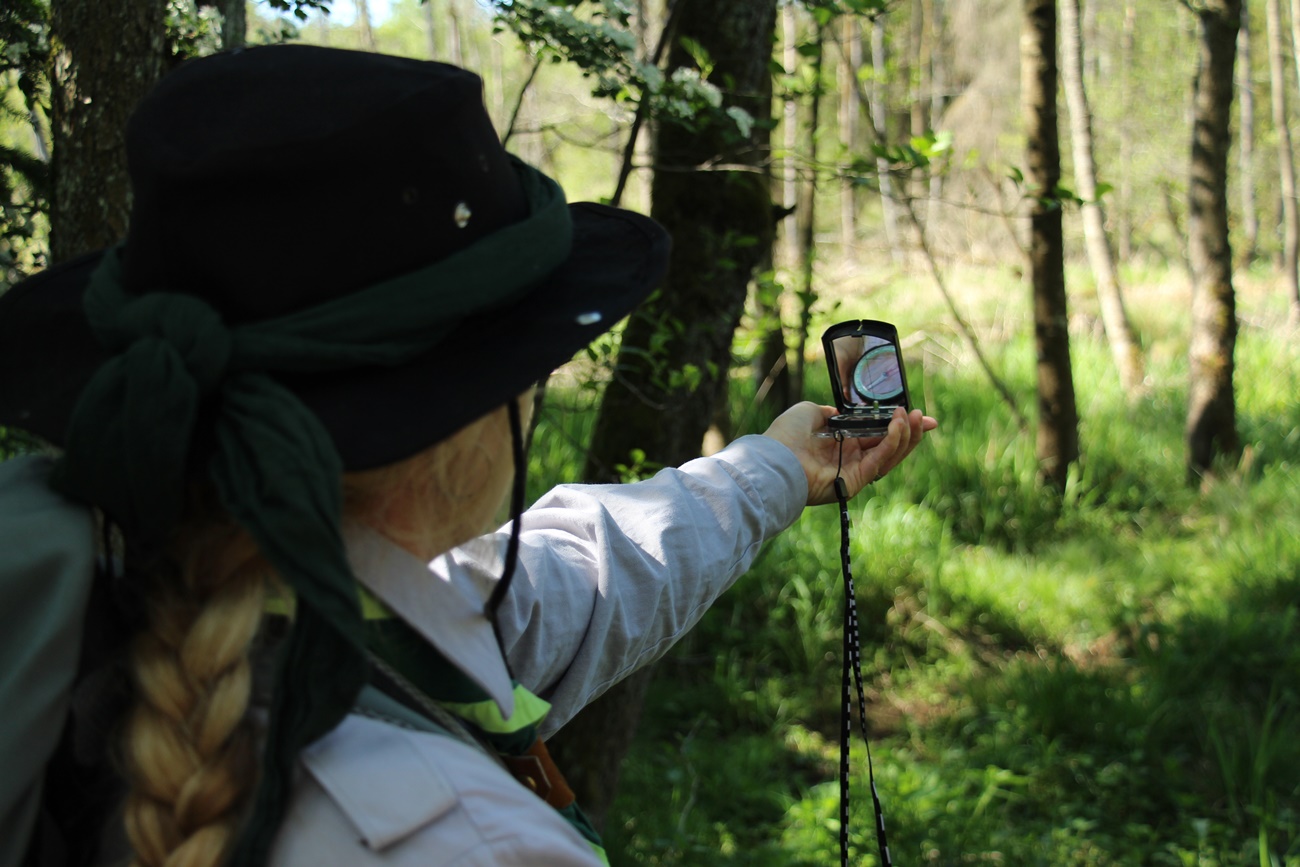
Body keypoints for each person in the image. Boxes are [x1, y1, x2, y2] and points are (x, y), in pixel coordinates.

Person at [0, 45, 935, 867]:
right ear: (464, 426)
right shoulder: (476, 842)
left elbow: (565, 579)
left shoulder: (96, 606)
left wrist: (775, 468)